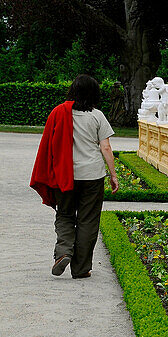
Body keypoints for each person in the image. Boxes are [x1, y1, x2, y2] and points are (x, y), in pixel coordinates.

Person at [30, 74, 119, 279]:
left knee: (65, 214)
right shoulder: (97, 116)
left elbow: (49, 145)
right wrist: (113, 175)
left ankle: (62, 252)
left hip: (65, 174)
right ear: (94, 93)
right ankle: (80, 269)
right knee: (88, 220)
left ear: (73, 90)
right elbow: (105, 147)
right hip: (93, 175)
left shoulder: (59, 112)